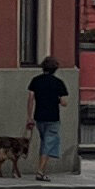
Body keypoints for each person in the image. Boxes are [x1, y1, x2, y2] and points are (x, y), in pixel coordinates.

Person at [26, 52, 69, 180]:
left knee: (45, 142)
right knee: (48, 144)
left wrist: (29, 116)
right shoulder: (58, 83)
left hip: (39, 117)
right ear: (55, 69)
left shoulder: (36, 81)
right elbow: (64, 102)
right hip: (53, 118)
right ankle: (40, 172)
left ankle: (41, 169)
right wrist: (57, 100)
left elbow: (30, 98)